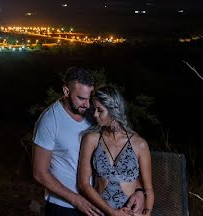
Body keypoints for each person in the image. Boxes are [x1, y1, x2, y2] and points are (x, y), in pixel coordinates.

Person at [32, 68, 145, 215]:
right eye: (81, 98)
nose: (87, 104)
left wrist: (139, 190)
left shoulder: (96, 115)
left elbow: (121, 156)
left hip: (98, 203)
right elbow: (39, 173)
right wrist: (76, 199)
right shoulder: (49, 120)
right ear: (66, 91)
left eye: (89, 98)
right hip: (64, 206)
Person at [77, 86, 154, 216]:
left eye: (99, 110)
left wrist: (146, 214)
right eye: (94, 109)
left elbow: (149, 189)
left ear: (113, 111)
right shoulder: (91, 139)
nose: (95, 114)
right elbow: (83, 184)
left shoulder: (140, 144)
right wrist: (112, 213)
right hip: (100, 212)